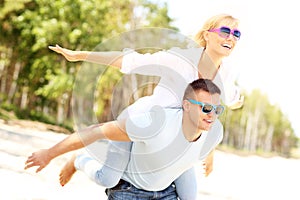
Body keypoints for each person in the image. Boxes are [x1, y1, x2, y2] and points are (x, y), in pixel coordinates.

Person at [26, 14, 244, 199]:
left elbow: (217, 107)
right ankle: (80, 160)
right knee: (110, 178)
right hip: (144, 123)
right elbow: (131, 61)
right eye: (225, 31)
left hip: (178, 139)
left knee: (189, 196)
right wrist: (81, 56)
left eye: (236, 34)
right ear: (207, 34)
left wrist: (207, 151)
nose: (230, 38)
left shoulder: (226, 74)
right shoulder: (180, 59)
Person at [25, 78, 225, 200]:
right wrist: (49, 154)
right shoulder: (154, 126)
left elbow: (208, 140)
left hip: (168, 167)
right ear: (186, 105)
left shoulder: (215, 130)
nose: (212, 114)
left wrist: (209, 156)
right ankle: (79, 160)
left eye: (217, 109)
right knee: (108, 178)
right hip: (133, 161)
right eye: (206, 108)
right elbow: (97, 130)